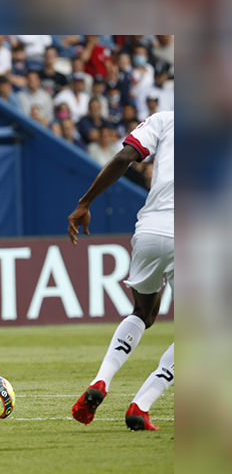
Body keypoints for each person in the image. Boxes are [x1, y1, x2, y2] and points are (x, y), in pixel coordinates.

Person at [68, 111, 174, 431]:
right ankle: (141, 405)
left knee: (143, 312)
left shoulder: (165, 120)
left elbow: (124, 157)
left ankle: (101, 380)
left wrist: (85, 202)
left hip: (150, 231)